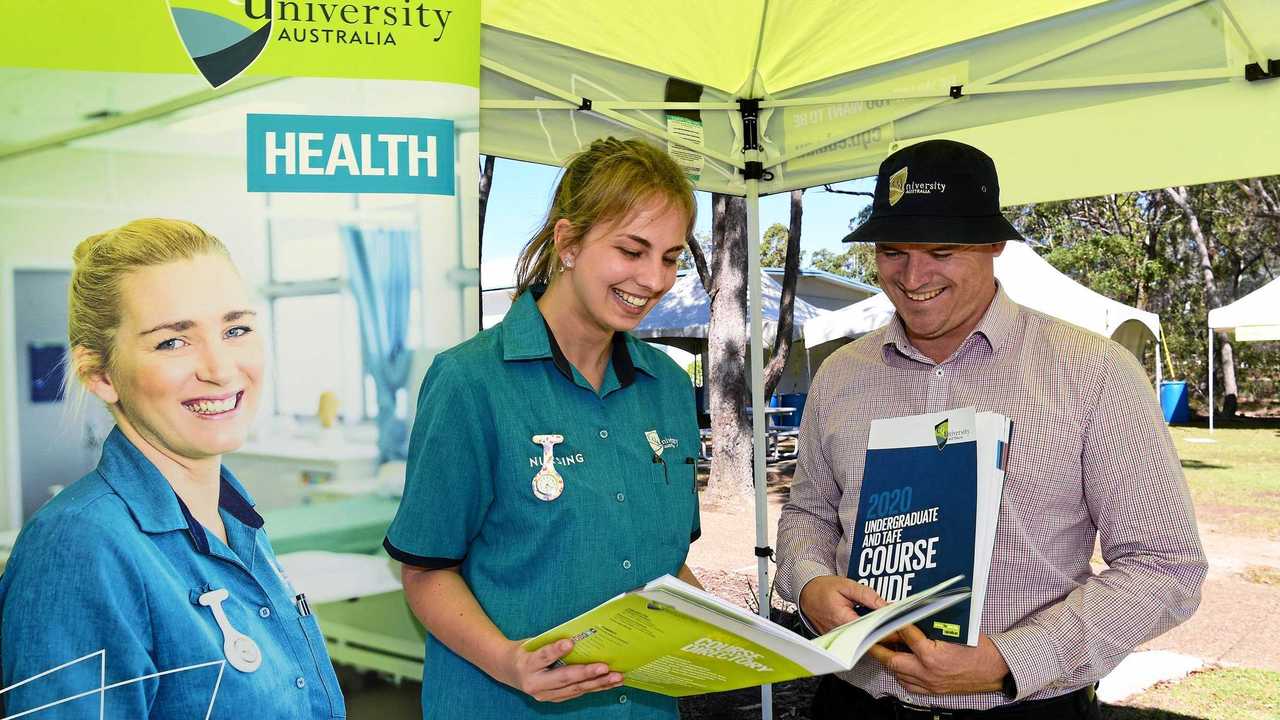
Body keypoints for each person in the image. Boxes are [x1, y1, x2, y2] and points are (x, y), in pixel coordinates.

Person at [776, 140, 1207, 719]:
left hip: (1024, 707)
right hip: (856, 701)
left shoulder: (1094, 372)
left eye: (943, 250)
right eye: (893, 251)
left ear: (995, 244)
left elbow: (1165, 566)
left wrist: (1011, 658)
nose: (913, 275)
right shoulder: (841, 375)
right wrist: (808, 585)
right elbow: (808, 513)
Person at [384, 137, 703, 720]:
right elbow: (426, 570)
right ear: (569, 243)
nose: (654, 279)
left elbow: (665, 562)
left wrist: (718, 630)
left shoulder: (670, 389)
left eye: (670, 257)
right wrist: (510, 662)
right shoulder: (470, 382)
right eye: (632, 250)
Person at [0, 219, 345, 719]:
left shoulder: (235, 523)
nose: (221, 368)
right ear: (100, 373)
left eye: (236, 329)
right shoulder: (81, 548)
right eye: (172, 342)